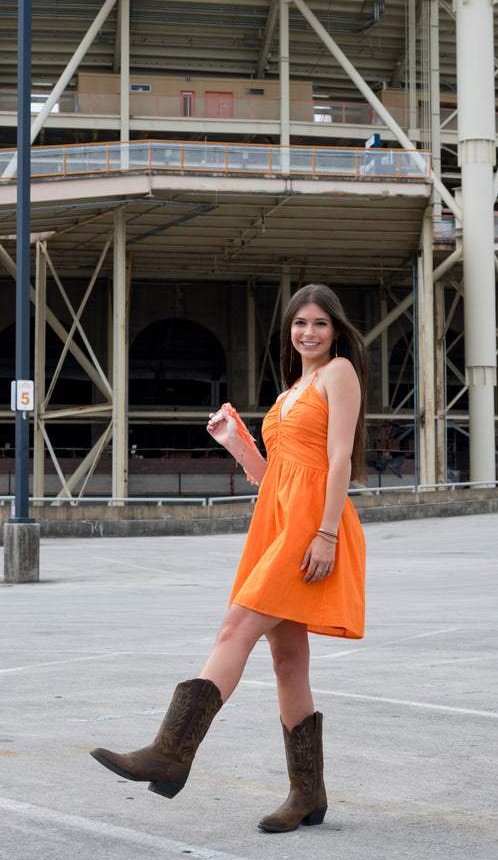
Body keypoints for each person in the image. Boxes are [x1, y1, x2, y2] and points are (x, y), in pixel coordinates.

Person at [91, 283, 368, 833]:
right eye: (299, 323)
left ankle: (170, 752)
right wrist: (239, 444)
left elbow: (338, 460)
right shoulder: (294, 388)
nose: (308, 333)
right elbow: (278, 479)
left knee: (233, 628)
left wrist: (327, 534)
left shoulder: (339, 373)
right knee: (287, 661)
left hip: (313, 527)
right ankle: (308, 793)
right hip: (281, 521)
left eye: (318, 323)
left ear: (335, 330)